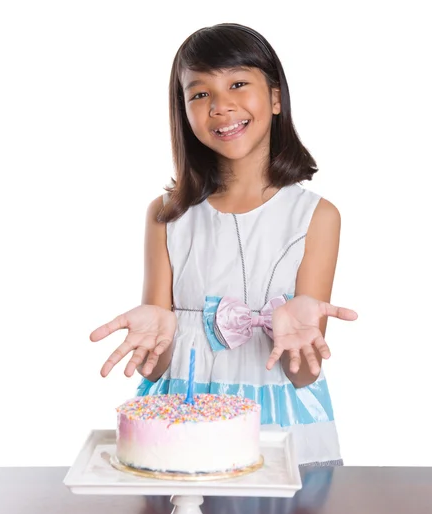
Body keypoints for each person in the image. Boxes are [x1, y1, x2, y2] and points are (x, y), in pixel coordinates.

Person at [90, 23, 358, 466]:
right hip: (183, 409)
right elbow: (156, 362)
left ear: (275, 98)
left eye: (237, 84)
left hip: (277, 416)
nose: (221, 105)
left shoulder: (316, 215)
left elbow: (305, 372)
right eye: (200, 94)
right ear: (184, 112)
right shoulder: (167, 214)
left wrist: (295, 338)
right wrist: (154, 339)